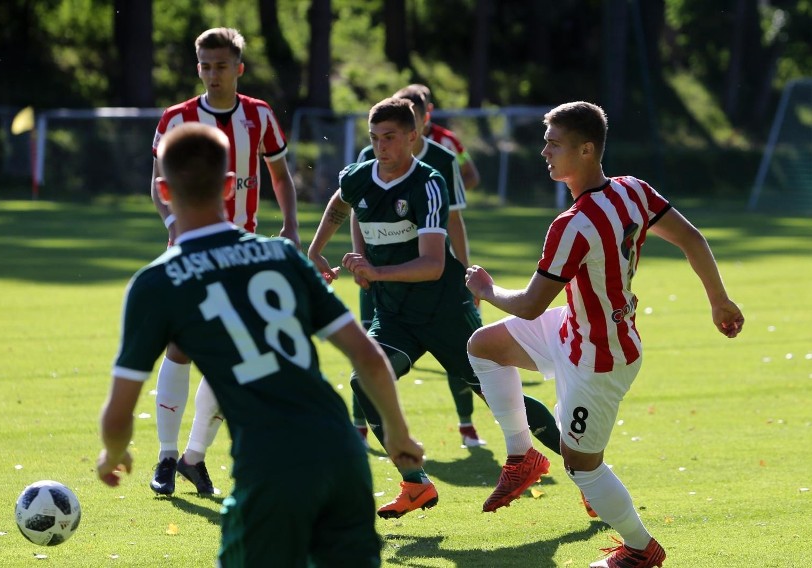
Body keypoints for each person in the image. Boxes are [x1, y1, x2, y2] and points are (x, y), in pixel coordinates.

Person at [98, 122, 424, 567]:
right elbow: (367, 354)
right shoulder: (283, 256)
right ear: (230, 187)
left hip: (272, 468)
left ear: (163, 191)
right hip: (342, 454)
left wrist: (111, 455)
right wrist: (399, 435)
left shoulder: (157, 282)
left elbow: (119, 414)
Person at [465, 101, 744, 568]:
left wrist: (486, 289)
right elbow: (692, 238)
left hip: (600, 360)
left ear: (587, 149)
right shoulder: (633, 190)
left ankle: (641, 549)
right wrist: (719, 300)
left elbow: (533, 304)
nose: (545, 152)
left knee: (580, 466)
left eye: (554, 143)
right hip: (576, 330)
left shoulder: (572, 225)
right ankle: (523, 458)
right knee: (484, 347)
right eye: (546, 142)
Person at [307, 97, 560, 519]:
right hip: (393, 314)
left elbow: (432, 264)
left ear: (413, 137)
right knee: (364, 381)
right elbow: (342, 203)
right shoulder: (359, 176)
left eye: (390, 137)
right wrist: (317, 250)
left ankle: (583, 467)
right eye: (374, 138)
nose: (381, 146)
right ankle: (414, 484)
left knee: (496, 396)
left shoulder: (428, 182)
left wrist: (372, 269)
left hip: (444, 311)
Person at [147, 27, 300, 496]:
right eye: (206, 66)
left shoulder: (259, 116)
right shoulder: (178, 118)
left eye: (222, 65)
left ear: (238, 68)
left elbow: (280, 176)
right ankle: (167, 458)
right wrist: (174, 225)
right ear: (198, 69)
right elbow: (157, 182)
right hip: (193, 250)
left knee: (238, 357)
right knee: (182, 347)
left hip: (243, 252)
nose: (213, 74)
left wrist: (291, 228)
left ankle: (194, 457)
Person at [349, 84, 484, 450]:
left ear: (423, 120)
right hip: (381, 280)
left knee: (467, 359)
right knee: (366, 359)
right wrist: (356, 257)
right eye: (377, 137)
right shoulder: (369, 157)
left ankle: (468, 426)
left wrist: (465, 269)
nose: (381, 145)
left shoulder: (443, 157)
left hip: (428, 281)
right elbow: (351, 207)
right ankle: (359, 429)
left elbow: (454, 218)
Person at [413, 83, 481, 192]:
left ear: (428, 110)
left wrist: (443, 194)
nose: (411, 117)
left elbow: (472, 177)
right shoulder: (393, 140)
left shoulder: (448, 139)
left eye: (416, 112)